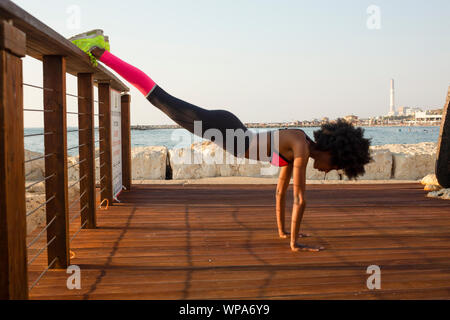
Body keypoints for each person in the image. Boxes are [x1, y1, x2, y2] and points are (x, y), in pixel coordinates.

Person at [71, 31, 373, 252]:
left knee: (159, 98)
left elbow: (281, 192)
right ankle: (97, 50)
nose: (328, 172)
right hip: (223, 128)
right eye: (334, 167)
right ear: (332, 152)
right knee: (158, 97)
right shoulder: (302, 147)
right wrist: (296, 245)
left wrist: (284, 234)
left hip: (227, 129)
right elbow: (301, 199)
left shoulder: (300, 147)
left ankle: (102, 48)